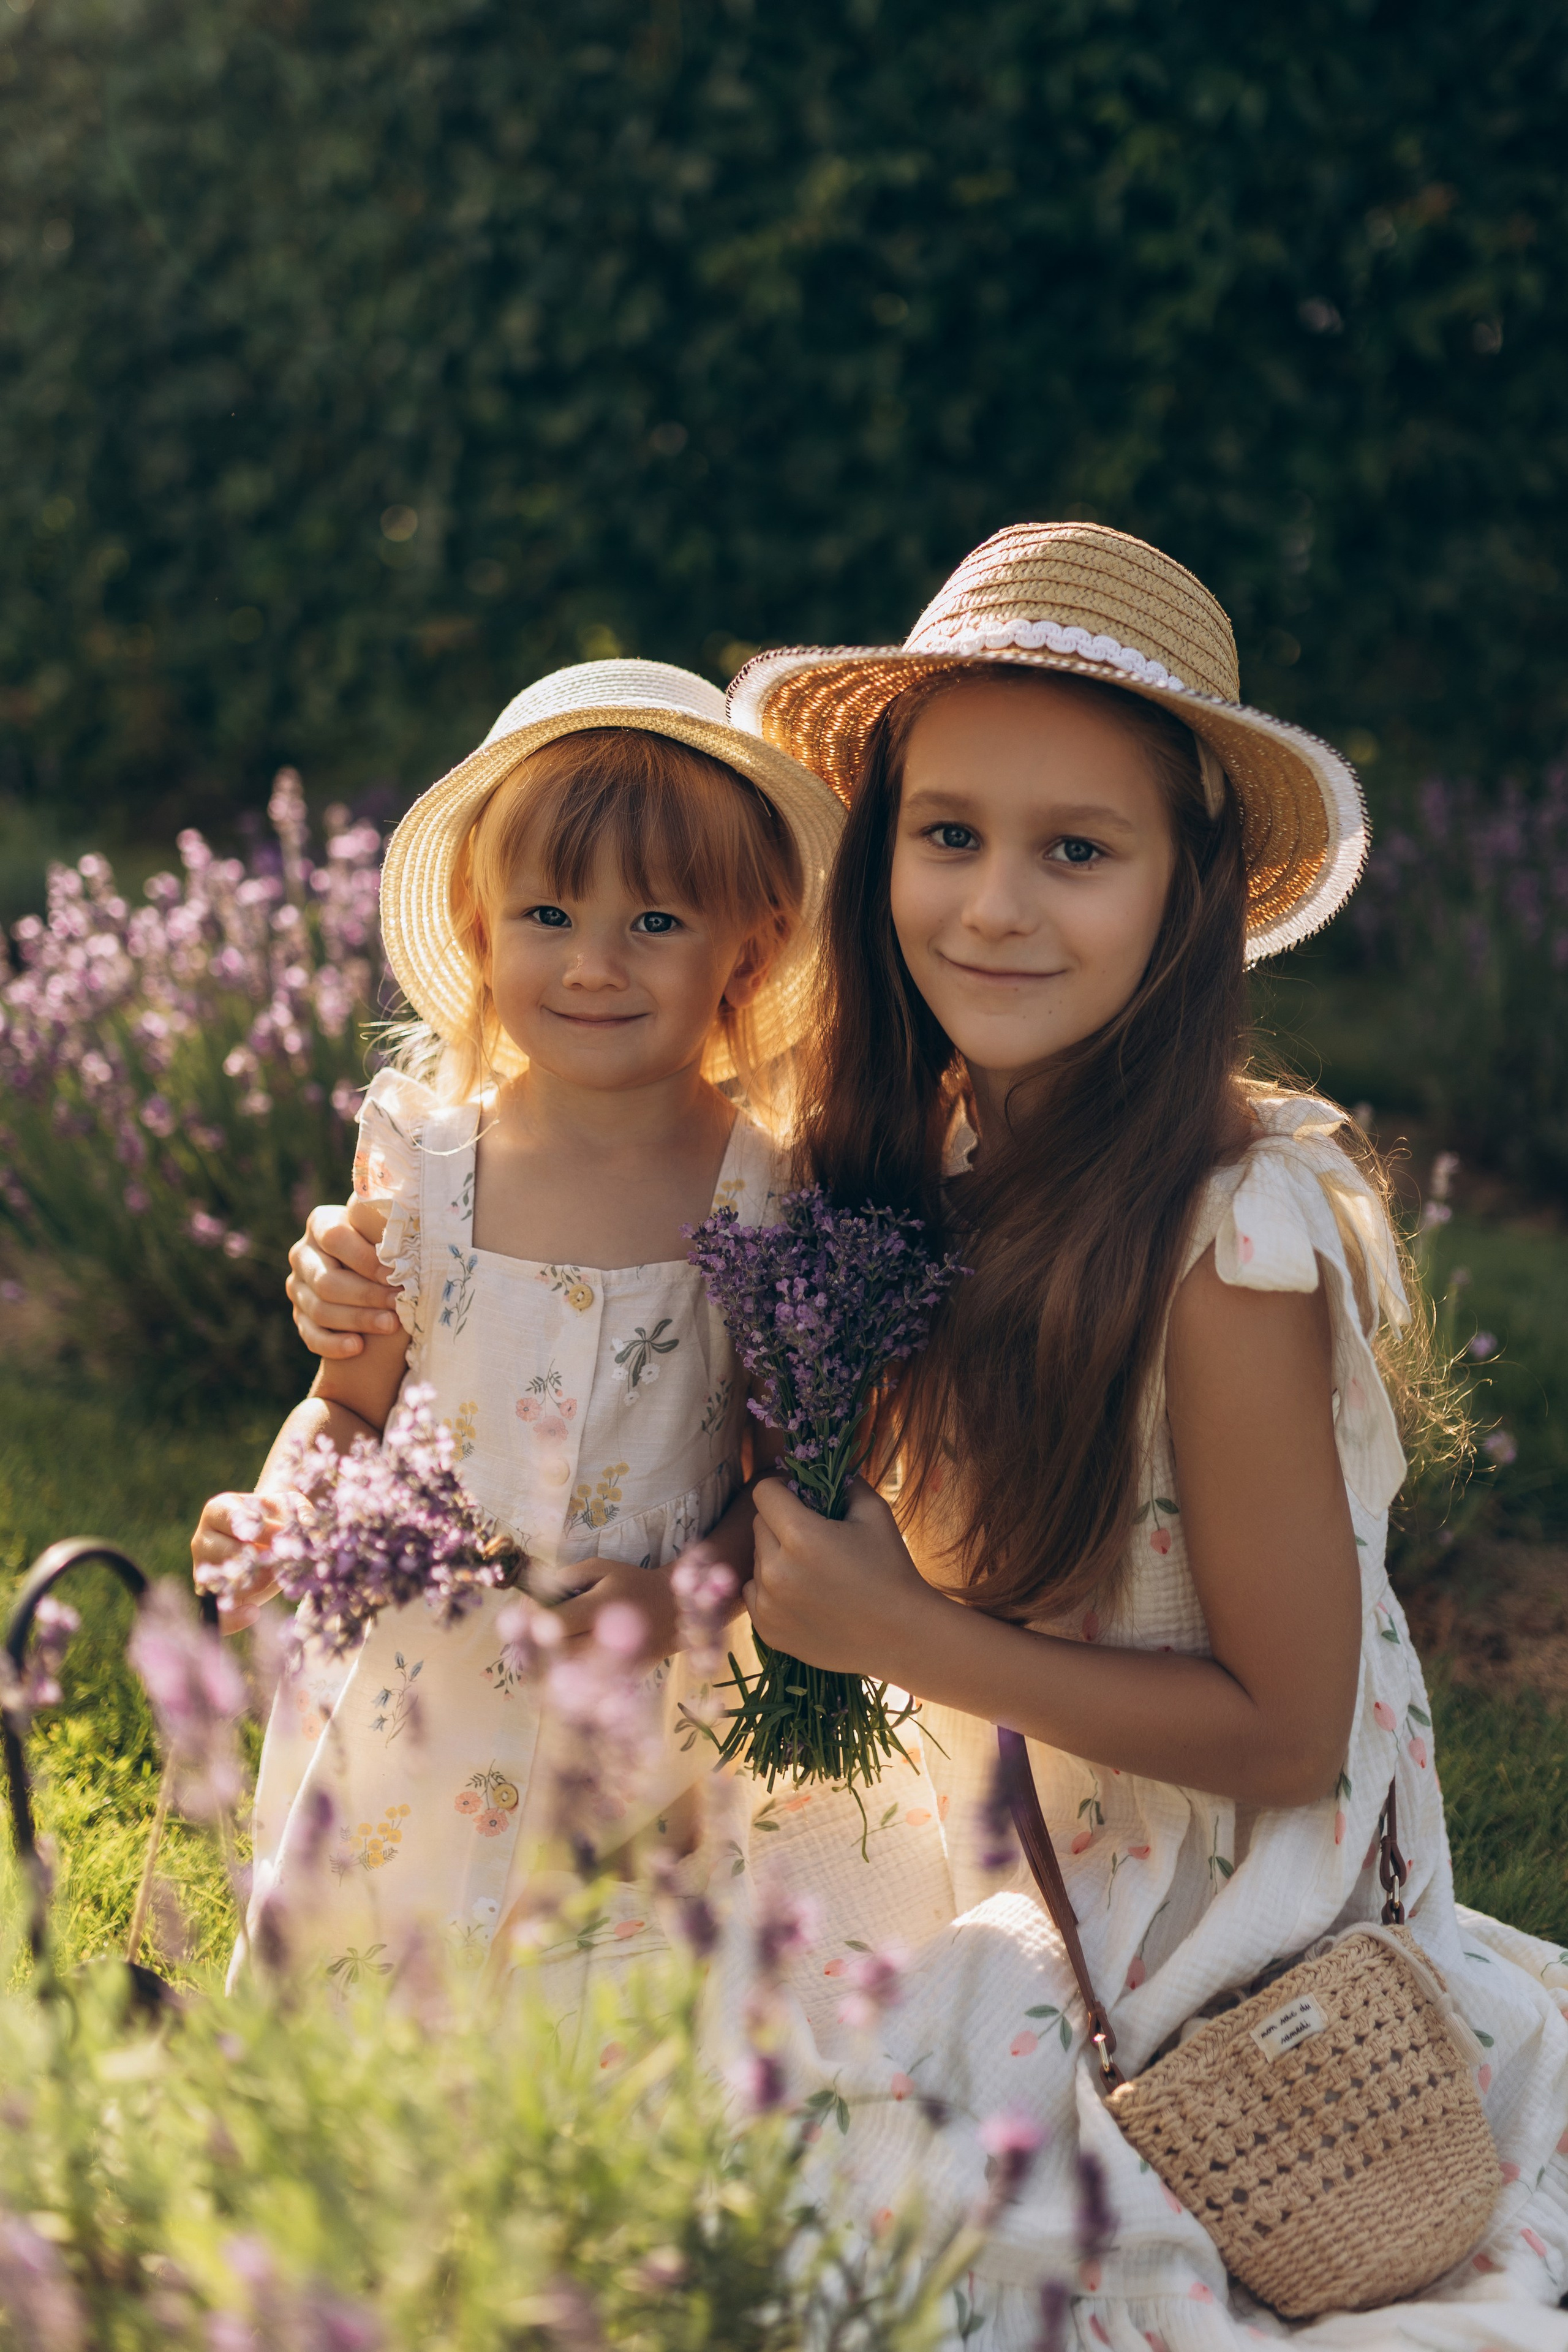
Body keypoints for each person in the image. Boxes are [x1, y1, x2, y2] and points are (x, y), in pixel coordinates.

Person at [287, 530, 1568, 2348]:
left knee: (803, 2217)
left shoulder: (1235, 1234)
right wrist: (365, 1269)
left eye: (1078, 852)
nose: (994, 907)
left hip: (1210, 1928)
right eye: (948, 834)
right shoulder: (935, 1145)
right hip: (1016, 1818)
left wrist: (904, 1640)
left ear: (1189, 889)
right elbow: (609, 1226)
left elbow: (1289, 1735)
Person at [191, 658, 843, 1982]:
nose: (594, 964)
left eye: (655, 923)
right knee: (366, 1981)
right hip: (415, 1683)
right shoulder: (424, 1173)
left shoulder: (763, 1194)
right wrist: (281, 1510)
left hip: (638, 1695)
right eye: (547, 914)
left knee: (600, 2009)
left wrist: (675, 1597)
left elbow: (781, 1484)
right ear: (483, 934)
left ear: (749, 948)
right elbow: (345, 1408)